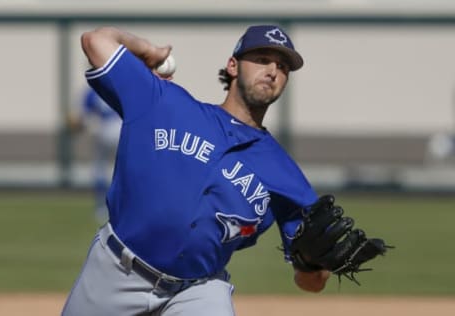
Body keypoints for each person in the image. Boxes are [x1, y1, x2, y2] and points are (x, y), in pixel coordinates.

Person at [62, 25, 330, 316]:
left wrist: (312, 266)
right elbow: (95, 40)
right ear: (233, 66)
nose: (272, 70)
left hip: (199, 289)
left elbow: (311, 283)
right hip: (115, 271)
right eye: (262, 59)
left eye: (282, 66)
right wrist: (149, 50)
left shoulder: (287, 176)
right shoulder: (163, 102)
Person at [68, 86, 122, 223]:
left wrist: (75, 126)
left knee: (99, 169)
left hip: (105, 130)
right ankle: (126, 206)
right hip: (122, 128)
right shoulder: (119, 85)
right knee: (125, 170)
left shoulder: (92, 90)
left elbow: (80, 119)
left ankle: (101, 208)